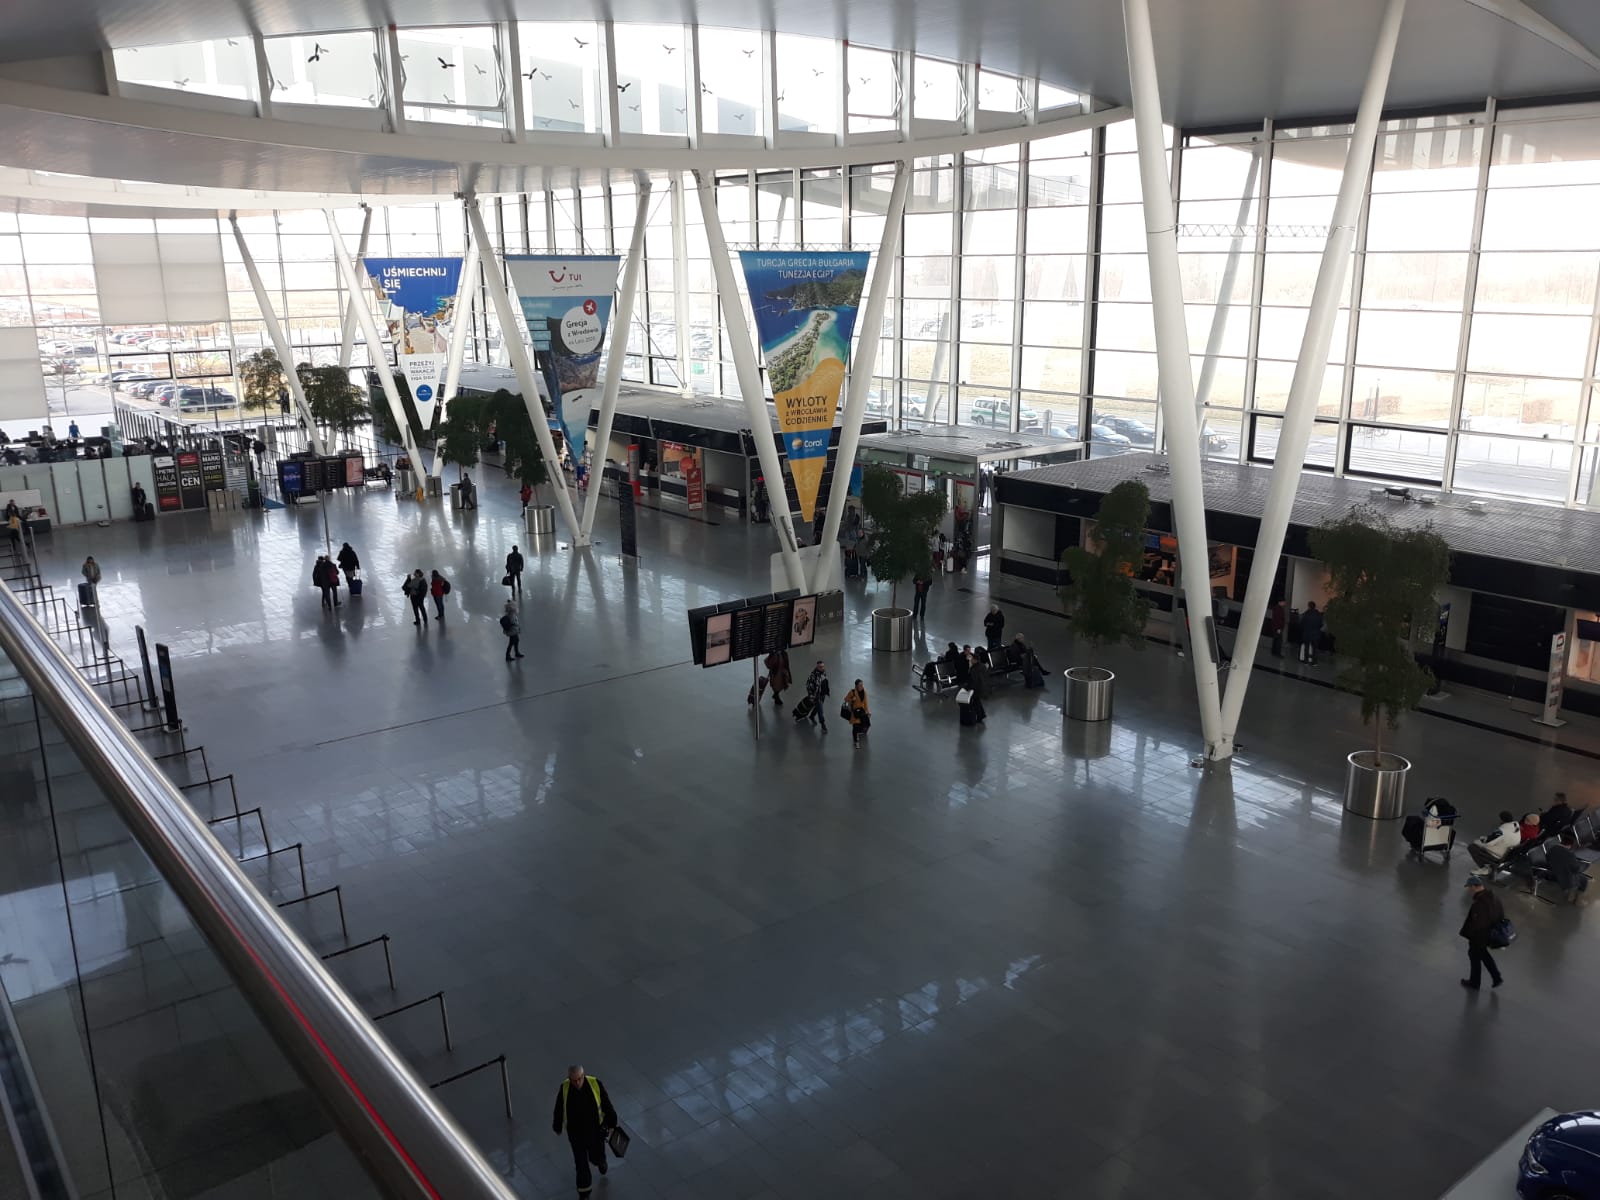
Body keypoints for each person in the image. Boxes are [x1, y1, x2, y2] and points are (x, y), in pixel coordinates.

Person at [552, 1065, 618, 1199]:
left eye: (579, 1079)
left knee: (596, 1156)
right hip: (576, 1136)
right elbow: (559, 1109)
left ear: (583, 1075)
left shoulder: (595, 1083)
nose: (577, 1082)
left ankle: (600, 1161)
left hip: (595, 1133)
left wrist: (612, 1122)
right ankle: (584, 1193)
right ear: (569, 1078)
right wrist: (557, 1126)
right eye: (574, 1080)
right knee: (581, 1164)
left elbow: (606, 1104)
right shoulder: (564, 1088)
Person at [1460, 876, 1506, 990]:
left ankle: (1475, 983)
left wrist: (1473, 936)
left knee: (1474, 956)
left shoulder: (1480, 903)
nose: (1469, 890)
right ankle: (1496, 977)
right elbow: (1501, 914)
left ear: (1474, 887)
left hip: (1479, 936)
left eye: (1469, 887)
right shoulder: (1493, 897)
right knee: (1483, 955)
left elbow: (1478, 923)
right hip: (1488, 934)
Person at [1545, 831, 1588, 903]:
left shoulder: (1552, 848)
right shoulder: (1570, 855)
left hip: (1550, 873)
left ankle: (1571, 894)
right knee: (1584, 880)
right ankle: (1577, 899)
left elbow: (1547, 859)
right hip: (1562, 877)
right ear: (1570, 845)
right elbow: (1576, 869)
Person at [805, 661, 830, 733]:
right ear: (817, 667)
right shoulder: (813, 675)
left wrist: (826, 691)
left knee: (817, 707)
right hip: (817, 696)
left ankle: (812, 716)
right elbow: (808, 686)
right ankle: (823, 725)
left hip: (823, 694)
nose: (822, 668)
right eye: (820, 667)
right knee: (820, 711)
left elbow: (825, 682)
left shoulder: (824, 672)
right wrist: (812, 696)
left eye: (823, 666)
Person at [844, 679, 870, 747]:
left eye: (862, 685)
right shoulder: (852, 692)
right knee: (855, 727)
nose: (861, 686)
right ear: (856, 686)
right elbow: (846, 699)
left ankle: (859, 733)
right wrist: (852, 699)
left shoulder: (864, 692)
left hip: (862, 712)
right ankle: (855, 741)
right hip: (854, 713)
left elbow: (865, 703)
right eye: (860, 685)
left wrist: (867, 711)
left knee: (865, 724)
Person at [1298, 601, 1324, 665]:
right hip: (1316, 634)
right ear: (1315, 606)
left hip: (1307, 633)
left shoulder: (1306, 614)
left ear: (1309, 606)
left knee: (1306, 647)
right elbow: (1321, 624)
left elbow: (1302, 624)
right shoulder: (1318, 614)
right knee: (1315, 649)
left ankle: (1306, 661)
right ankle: (1314, 662)